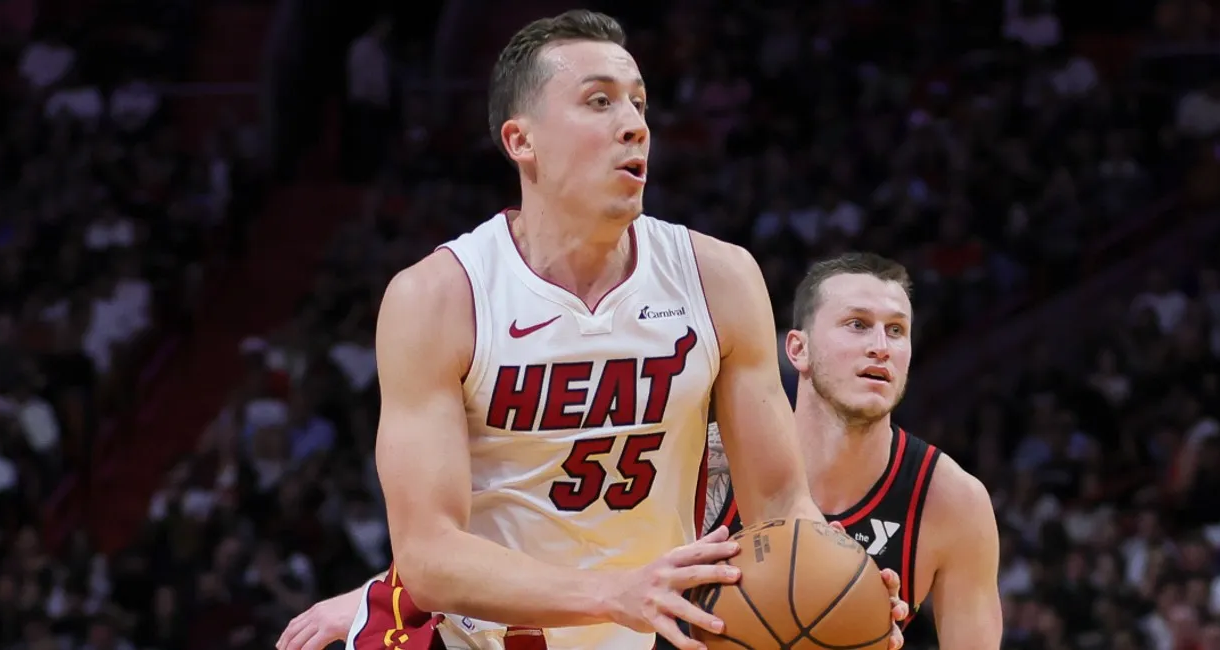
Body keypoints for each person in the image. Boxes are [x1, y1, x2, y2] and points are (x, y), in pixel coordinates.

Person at [278, 10, 907, 650]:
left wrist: (843, 588)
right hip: (474, 637)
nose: (634, 124)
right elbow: (429, 556)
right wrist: (613, 593)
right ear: (521, 141)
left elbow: (780, 507)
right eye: (599, 101)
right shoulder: (439, 298)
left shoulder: (720, 279)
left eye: (639, 103)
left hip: (647, 630)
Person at [679, 253, 1002, 649]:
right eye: (857, 325)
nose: (881, 347)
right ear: (798, 349)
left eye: (896, 330)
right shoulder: (701, 459)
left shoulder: (952, 502)